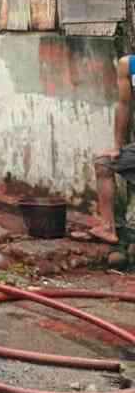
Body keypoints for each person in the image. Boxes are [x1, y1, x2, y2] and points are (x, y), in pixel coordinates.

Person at [90, 55, 135, 267]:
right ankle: (108, 227)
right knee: (104, 162)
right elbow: (124, 104)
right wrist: (117, 146)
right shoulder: (129, 65)